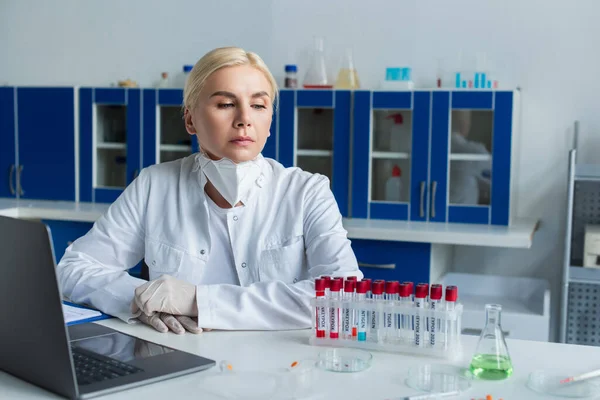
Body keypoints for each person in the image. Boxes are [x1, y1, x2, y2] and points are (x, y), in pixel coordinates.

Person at [57, 47, 362, 334]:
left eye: (258, 105)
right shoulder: (154, 185)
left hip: (282, 372)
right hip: (178, 364)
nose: (244, 119)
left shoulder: (307, 191)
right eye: (226, 104)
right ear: (190, 119)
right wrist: (142, 299)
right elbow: (73, 269)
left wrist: (197, 301)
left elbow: (343, 295)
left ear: (269, 120)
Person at [449, 110, 492, 205]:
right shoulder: (475, 153)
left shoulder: (424, 148)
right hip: (463, 216)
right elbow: (500, 184)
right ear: (465, 123)